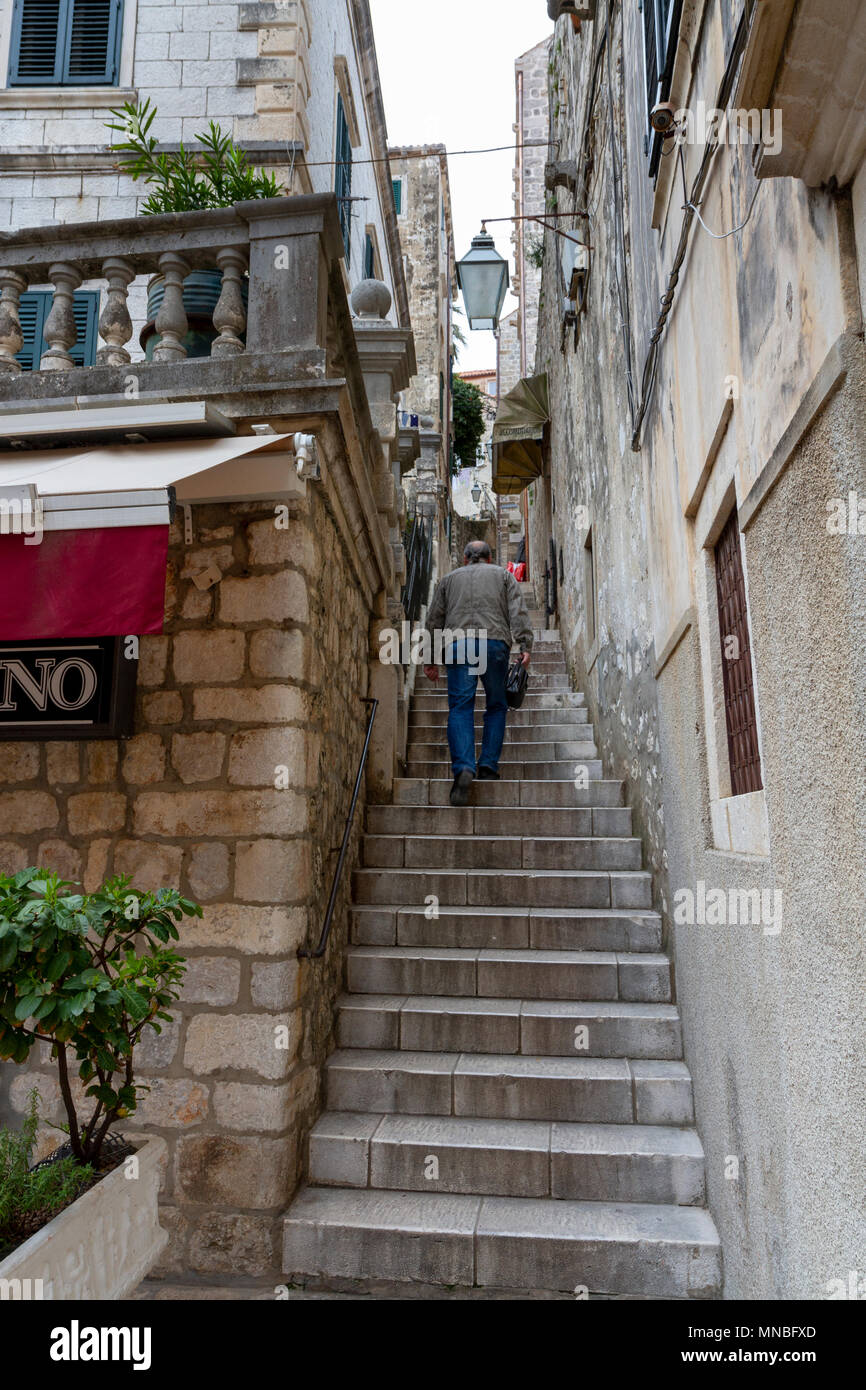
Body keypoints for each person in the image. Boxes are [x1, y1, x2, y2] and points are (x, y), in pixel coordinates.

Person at [423, 540, 533, 806]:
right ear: (489, 557)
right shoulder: (504, 576)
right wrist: (524, 644)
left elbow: (434, 620)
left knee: (460, 707)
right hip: (494, 644)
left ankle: (463, 768)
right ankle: (488, 766)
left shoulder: (447, 580)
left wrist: (430, 658)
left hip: (459, 645)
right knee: (496, 706)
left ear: (465, 558)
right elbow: (518, 611)